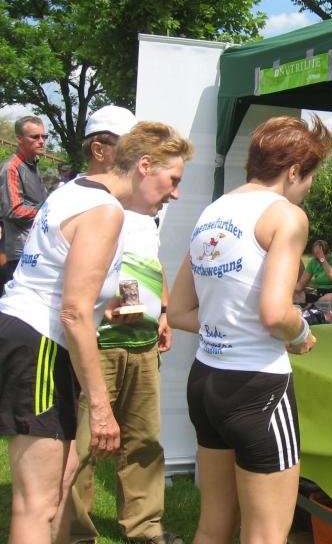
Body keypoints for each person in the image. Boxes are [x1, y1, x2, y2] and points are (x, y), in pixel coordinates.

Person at [0, 119, 193, 544]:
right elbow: (72, 312)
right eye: (173, 180)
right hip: (41, 343)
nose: (175, 194)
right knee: (37, 504)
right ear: (145, 165)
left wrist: (106, 310)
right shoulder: (105, 211)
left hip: (31, 337)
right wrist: (102, 409)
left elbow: (65, 282)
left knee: (61, 478)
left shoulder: (75, 191)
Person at [167, 115, 332, 544]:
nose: (309, 186)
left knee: (213, 525)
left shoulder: (213, 212)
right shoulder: (287, 216)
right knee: (266, 535)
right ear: (293, 171)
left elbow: (179, 311)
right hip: (259, 387)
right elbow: (276, 314)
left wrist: (229, 325)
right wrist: (301, 334)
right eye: (310, 176)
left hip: (206, 381)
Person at [68, 106, 181, 544]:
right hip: (96, 342)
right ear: (99, 148)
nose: (138, 156)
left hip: (142, 341)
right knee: (81, 445)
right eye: (126, 145)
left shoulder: (145, 205)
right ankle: (74, 533)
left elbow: (152, 259)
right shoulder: (82, 200)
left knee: (144, 440)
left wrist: (164, 310)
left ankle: (144, 528)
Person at [0, 115, 48, 294]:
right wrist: (47, 211)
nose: (41, 141)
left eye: (44, 136)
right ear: (19, 139)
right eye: (35, 137)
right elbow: (13, 210)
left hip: (37, 248)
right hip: (21, 253)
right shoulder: (12, 167)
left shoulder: (33, 164)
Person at [294, 239, 332, 320]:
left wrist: (322, 259)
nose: (316, 258)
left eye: (318, 254)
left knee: (328, 298)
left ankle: (309, 311)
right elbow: (301, 284)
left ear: (327, 253)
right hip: (320, 296)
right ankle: (309, 311)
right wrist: (289, 292)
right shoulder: (313, 262)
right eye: (315, 255)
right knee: (296, 295)